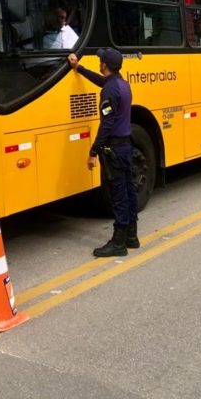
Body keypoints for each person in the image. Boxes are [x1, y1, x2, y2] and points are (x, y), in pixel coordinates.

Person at [67, 48, 139, 257]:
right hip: (126, 145)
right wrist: (78, 68)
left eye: (101, 61)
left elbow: (106, 124)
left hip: (114, 148)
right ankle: (132, 236)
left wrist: (93, 151)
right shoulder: (121, 84)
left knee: (118, 195)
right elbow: (102, 81)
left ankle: (118, 243)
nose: (99, 62)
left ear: (105, 65)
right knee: (129, 190)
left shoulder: (110, 91)